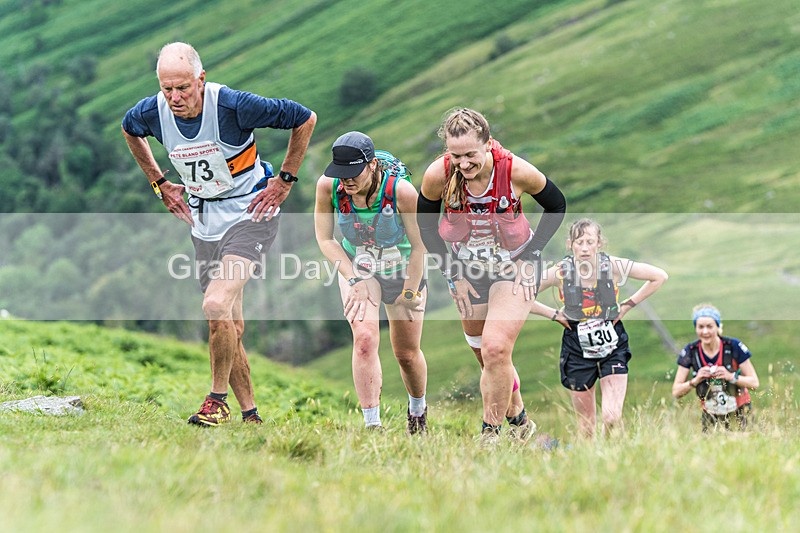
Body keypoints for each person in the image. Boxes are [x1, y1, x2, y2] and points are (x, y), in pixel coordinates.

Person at [121, 42, 316, 426]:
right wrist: (159, 182)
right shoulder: (151, 112)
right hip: (204, 221)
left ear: (201, 79)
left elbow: (305, 118)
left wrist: (285, 180)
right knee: (227, 323)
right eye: (167, 89)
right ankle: (251, 416)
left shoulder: (233, 105)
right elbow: (129, 130)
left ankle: (216, 400)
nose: (175, 98)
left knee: (214, 305)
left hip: (251, 213)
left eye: (183, 88)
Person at [416, 108, 567, 445]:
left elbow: (556, 205)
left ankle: (491, 436)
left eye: (471, 155)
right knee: (485, 357)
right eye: (456, 156)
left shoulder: (515, 170)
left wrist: (533, 254)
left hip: (513, 270)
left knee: (496, 349)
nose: (464, 164)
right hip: (467, 272)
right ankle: (519, 419)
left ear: (487, 144)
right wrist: (453, 274)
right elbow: (426, 226)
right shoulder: (437, 175)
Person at [314, 132, 429, 434]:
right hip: (359, 266)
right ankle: (372, 427)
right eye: (341, 175)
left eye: (353, 174)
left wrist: (409, 292)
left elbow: (420, 247)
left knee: (406, 353)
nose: (347, 182)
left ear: (373, 164)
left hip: (403, 269)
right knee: (364, 339)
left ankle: (417, 412)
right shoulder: (329, 187)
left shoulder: (401, 192)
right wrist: (353, 278)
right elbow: (325, 239)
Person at [530, 218, 668, 438]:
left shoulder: (613, 266)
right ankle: (593, 466)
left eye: (590, 242)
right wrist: (553, 314)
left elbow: (659, 276)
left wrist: (627, 305)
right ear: (569, 244)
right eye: (579, 242)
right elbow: (520, 293)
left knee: (612, 417)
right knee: (586, 427)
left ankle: (616, 458)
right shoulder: (559, 273)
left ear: (599, 243)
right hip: (576, 348)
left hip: (612, 345)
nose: (584, 248)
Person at [672, 304, 759, 431]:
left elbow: (754, 383)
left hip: (740, 411)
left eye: (709, 326)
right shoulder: (691, 351)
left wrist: (730, 377)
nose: (705, 331)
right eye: (700, 327)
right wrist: (695, 380)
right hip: (710, 414)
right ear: (695, 328)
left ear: (717, 327)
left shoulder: (733, 346)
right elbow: (676, 392)